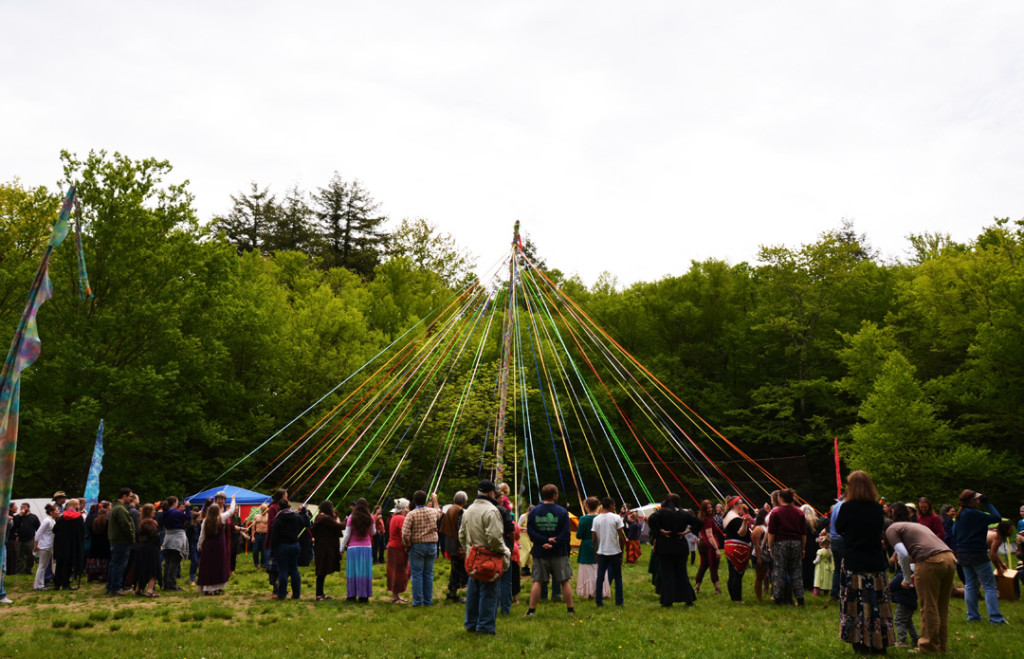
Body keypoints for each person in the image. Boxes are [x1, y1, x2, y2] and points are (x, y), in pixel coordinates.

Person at [835, 470, 895, 654]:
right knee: (878, 602)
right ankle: (880, 641)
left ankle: (859, 641)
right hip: (875, 560)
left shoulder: (847, 508)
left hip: (855, 560)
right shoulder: (877, 508)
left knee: (856, 603)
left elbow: (839, 528)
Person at [884, 515, 956, 652]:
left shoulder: (891, 530)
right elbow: (919, 549)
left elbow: (903, 555)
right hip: (949, 558)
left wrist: (905, 577)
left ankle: (927, 646)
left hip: (930, 561)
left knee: (929, 606)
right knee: (941, 606)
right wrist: (914, 574)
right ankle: (940, 645)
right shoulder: (911, 526)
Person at [459, 480, 511, 634]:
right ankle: (485, 627)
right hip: (489, 558)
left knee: (473, 591)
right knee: (489, 592)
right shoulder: (491, 511)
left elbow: (461, 534)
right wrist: (505, 551)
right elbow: (494, 537)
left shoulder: (468, 510)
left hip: (473, 557)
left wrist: (469, 551)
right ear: (490, 493)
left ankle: (471, 624)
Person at [952, 489, 1006, 625]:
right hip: (978, 554)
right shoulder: (975, 514)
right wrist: (987, 502)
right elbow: (997, 518)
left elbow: (954, 532)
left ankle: (973, 616)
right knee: (989, 586)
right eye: (977, 499)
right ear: (972, 501)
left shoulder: (960, 515)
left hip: (963, 555)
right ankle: (995, 618)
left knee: (970, 585)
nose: (978, 501)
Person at [525, 483, 575, 617]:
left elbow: (530, 531)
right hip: (559, 551)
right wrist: (554, 542)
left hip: (540, 551)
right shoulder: (563, 511)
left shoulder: (534, 511)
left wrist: (544, 541)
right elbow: (565, 532)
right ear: (554, 495)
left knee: (538, 581)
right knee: (564, 580)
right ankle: (570, 609)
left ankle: (531, 610)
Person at [646, 493, 698, 607]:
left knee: (667, 574)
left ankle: (667, 601)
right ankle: (689, 599)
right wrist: (686, 532)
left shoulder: (661, 513)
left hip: (665, 546)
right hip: (680, 545)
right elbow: (698, 523)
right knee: (682, 573)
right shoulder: (684, 514)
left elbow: (651, 520)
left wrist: (660, 531)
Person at [401, 490, 443, 607]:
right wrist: (435, 500)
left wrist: (407, 544)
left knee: (417, 574)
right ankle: (428, 601)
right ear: (425, 500)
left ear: (414, 501)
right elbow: (439, 513)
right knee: (428, 574)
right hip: (431, 546)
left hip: (417, 546)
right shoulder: (432, 512)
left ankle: (418, 601)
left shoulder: (411, 514)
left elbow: (405, 533)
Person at [767, 489, 806, 606]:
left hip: (781, 543)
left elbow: (771, 533)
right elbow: (803, 534)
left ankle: (778, 599)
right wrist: (803, 548)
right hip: (796, 543)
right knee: (796, 571)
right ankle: (800, 599)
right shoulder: (799, 512)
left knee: (779, 571)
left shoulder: (776, 512)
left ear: (780, 498)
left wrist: (770, 548)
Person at [198, 499, 236, 596]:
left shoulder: (205, 521)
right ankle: (217, 588)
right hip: (219, 546)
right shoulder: (222, 518)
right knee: (218, 566)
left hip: (208, 546)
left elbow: (202, 535)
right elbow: (231, 511)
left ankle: (208, 589)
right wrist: (233, 500)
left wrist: (199, 546)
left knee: (208, 566)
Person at [593, 496, 626, 607]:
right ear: (611, 505)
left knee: (600, 577)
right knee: (618, 578)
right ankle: (619, 601)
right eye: (614, 505)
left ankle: (598, 601)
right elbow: (621, 537)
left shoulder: (596, 519)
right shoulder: (616, 518)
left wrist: (595, 552)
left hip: (602, 552)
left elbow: (593, 538)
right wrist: (622, 552)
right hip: (615, 552)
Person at [340, 498, 375, 602]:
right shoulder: (370, 517)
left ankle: (351, 595)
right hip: (366, 548)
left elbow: (347, 535)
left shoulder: (351, 517)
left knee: (352, 572)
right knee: (364, 572)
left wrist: (341, 548)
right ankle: (363, 596)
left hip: (353, 548)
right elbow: (373, 532)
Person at [270, 494, 303, 600]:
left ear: (279, 508)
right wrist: (304, 513)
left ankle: (282, 594)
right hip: (295, 545)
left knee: (283, 570)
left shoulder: (277, 520)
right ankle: (296, 593)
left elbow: (274, 537)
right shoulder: (296, 517)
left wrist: (273, 551)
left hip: (282, 547)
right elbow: (306, 524)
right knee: (294, 569)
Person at [574, 497, 607, 600]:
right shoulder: (601, 518)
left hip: (586, 545)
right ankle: (601, 590)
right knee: (599, 567)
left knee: (588, 569)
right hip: (599, 543)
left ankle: (590, 592)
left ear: (587, 506)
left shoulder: (583, 519)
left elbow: (579, 535)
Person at [721, 496, 753, 603]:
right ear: (735, 505)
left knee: (732, 573)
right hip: (737, 547)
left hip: (730, 546)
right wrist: (745, 522)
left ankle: (734, 598)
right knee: (737, 574)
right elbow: (741, 533)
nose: (742, 505)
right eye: (740, 503)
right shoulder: (735, 518)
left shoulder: (728, 516)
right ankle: (737, 598)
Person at [311, 500, 344, 601]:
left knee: (322, 571)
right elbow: (339, 526)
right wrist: (348, 520)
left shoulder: (319, 517)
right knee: (321, 571)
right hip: (324, 548)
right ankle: (319, 595)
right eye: (331, 507)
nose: (332, 508)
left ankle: (320, 593)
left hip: (321, 547)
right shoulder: (325, 518)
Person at [440, 491, 468, 604]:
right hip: (456, 544)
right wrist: (462, 546)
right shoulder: (459, 511)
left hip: (450, 542)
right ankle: (453, 594)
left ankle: (452, 592)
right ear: (464, 501)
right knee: (458, 570)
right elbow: (460, 529)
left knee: (455, 569)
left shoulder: (450, 509)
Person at [52, 499, 86, 590]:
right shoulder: (78, 517)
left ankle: (56, 584)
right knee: (68, 564)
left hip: (61, 544)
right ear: (75, 505)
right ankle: (65, 584)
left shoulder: (62, 517)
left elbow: (54, 530)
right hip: (72, 545)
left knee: (59, 564)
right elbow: (82, 532)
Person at [694, 499, 722, 595]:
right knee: (713, 565)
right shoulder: (709, 520)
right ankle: (717, 588)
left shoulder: (701, 518)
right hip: (708, 545)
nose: (710, 509)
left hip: (701, 543)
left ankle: (697, 587)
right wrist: (716, 549)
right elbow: (710, 535)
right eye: (708, 508)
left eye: (711, 507)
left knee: (703, 566)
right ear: (704, 509)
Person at [132, 503, 161, 597]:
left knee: (141, 567)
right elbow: (153, 536)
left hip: (141, 547)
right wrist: (159, 545)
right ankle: (150, 590)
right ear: (149, 512)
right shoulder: (151, 523)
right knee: (153, 568)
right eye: (153, 510)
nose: (154, 512)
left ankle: (138, 588)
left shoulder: (141, 522)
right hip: (151, 547)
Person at [161, 496, 189, 591]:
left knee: (168, 562)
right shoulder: (176, 512)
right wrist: (188, 507)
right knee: (174, 563)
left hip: (168, 538)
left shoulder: (165, 513)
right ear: (174, 503)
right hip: (177, 538)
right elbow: (188, 518)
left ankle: (166, 583)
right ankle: (172, 585)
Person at [386, 498, 411, 603]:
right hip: (398, 549)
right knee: (399, 572)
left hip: (393, 547)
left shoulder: (394, 517)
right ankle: (395, 597)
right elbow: (403, 535)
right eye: (408, 507)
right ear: (404, 508)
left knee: (394, 571)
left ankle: (395, 596)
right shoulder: (401, 519)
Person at [33, 504, 58, 590]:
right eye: (56, 511)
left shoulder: (52, 520)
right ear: (51, 513)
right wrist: (36, 545)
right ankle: (38, 585)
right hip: (44, 546)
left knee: (44, 566)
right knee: (42, 566)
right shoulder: (47, 521)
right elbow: (38, 533)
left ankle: (40, 584)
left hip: (49, 545)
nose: (58, 512)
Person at [86, 503, 111, 583]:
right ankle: (104, 576)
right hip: (104, 544)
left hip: (94, 543)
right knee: (104, 561)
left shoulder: (95, 521)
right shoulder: (107, 522)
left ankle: (91, 576)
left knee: (94, 559)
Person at [751, 509, 771, 602]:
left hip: (768, 556)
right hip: (759, 556)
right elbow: (756, 544)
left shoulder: (768, 527)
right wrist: (759, 557)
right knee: (760, 577)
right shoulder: (758, 528)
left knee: (767, 576)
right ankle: (760, 598)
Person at [15, 503, 39, 575]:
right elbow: (15, 525)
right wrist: (20, 516)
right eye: (21, 507)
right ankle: (19, 570)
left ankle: (28, 569)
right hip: (19, 539)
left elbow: (38, 527)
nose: (22, 508)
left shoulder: (33, 517)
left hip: (30, 539)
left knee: (31, 554)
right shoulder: (18, 517)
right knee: (19, 555)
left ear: (28, 508)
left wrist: (36, 536)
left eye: (24, 507)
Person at [250, 504, 269, 569]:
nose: (264, 510)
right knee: (255, 550)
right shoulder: (256, 516)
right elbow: (253, 527)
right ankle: (256, 564)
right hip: (257, 535)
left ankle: (263, 564)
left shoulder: (269, 516)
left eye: (266, 509)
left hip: (265, 535)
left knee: (264, 550)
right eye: (263, 509)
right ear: (261, 509)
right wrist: (253, 536)